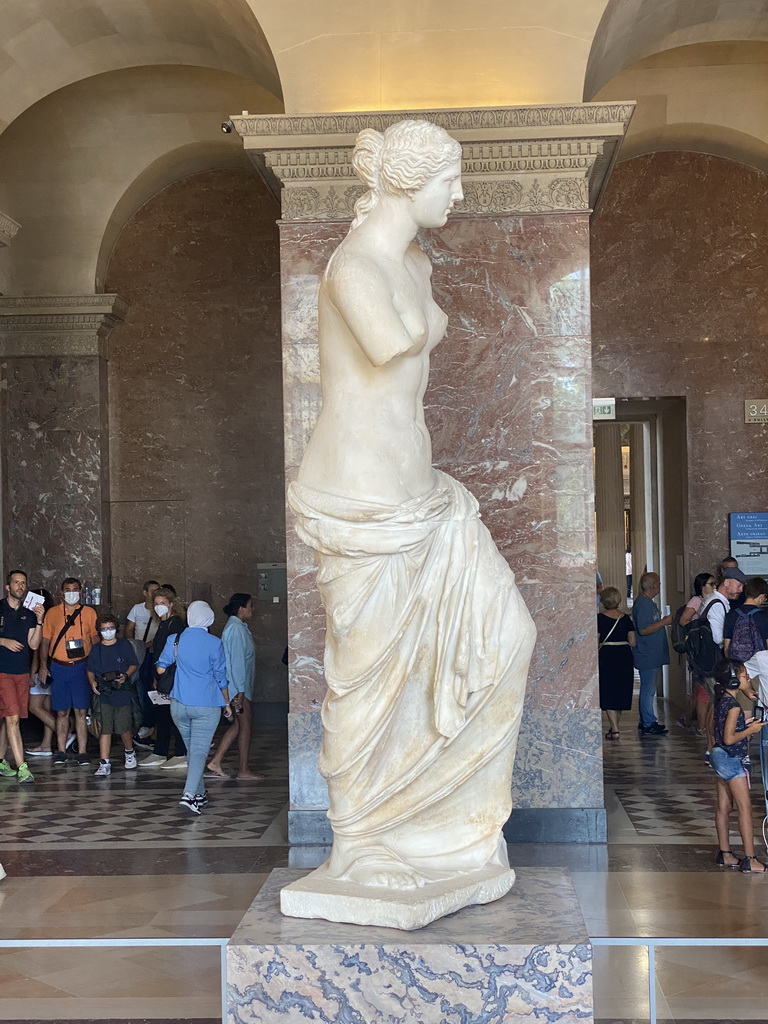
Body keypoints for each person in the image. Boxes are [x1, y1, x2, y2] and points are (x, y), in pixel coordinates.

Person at [287, 119, 536, 896]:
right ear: (405, 182)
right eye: (449, 180)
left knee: (510, 635)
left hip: (422, 495)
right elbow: (392, 342)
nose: (459, 194)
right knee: (364, 679)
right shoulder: (354, 267)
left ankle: (447, 830)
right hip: (360, 496)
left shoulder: (413, 262)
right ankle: (361, 841)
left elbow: (413, 334)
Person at [156, 600, 233, 813]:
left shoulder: (175, 639)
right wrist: (226, 702)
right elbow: (220, 676)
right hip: (206, 705)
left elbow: (161, 669)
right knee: (199, 751)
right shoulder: (214, 642)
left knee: (192, 751)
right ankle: (189, 795)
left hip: (179, 705)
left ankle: (199, 794)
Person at [709, 659, 768, 871]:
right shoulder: (733, 706)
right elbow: (729, 738)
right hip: (732, 760)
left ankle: (725, 854)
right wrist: (750, 731)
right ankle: (751, 859)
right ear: (734, 680)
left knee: (724, 807)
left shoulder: (720, 700)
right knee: (745, 808)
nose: (748, 678)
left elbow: (714, 729)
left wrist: (747, 724)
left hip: (718, 757)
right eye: (744, 676)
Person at [39, 578, 99, 766]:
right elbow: (45, 642)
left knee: (81, 710)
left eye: (74, 589)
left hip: (82, 666)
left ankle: (82, 752)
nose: (71, 593)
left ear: (80, 592)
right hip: (59, 667)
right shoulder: (52, 613)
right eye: (67, 590)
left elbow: (95, 638)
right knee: (61, 711)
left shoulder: (89, 613)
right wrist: (43, 665)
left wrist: (97, 665)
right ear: (61, 593)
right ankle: (61, 750)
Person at [207, 593, 263, 780]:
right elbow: (236, 662)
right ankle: (243, 769)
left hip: (239, 687)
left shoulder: (237, 627)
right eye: (250, 606)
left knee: (239, 725)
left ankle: (216, 762)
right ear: (241, 608)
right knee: (245, 725)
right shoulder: (236, 630)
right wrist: (240, 691)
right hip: (238, 688)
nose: (252, 610)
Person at [0, 570, 45, 783]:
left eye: (23, 583)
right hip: (2, 672)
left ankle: (0, 761)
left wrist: (40, 620)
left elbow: (34, 644)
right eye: (16, 582)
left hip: (21, 672)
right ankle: (22, 767)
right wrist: (3, 641)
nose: (20, 586)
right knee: (13, 719)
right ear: (7, 587)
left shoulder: (28, 612)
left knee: (10, 718)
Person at [137, 586, 187, 768]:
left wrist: (163, 674)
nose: (159, 607)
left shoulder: (175, 624)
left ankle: (181, 753)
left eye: (163, 603)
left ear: (171, 605)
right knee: (163, 715)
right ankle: (161, 751)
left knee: (175, 716)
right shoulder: (164, 624)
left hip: (171, 677)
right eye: (156, 604)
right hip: (162, 676)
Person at [86, 613, 139, 776]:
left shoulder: (124, 645)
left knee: (123, 726)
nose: (107, 631)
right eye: (104, 629)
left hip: (121, 690)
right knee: (105, 728)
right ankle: (104, 762)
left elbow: (133, 663)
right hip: (104, 691)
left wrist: (125, 676)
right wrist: (93, 682)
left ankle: (129, 752)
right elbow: (90, 669)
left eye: (110, 628)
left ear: (116, 629)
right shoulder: (97, 649)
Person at [677, 572, 716, 736]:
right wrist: (698, 627)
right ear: (702, 586)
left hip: (710, 648)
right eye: (711, 584)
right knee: (702, 689)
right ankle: (702, 726)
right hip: (700, 649)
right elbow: (683, 620)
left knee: (705, 689)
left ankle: (693, 720)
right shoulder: (696, 601)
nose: (714, 587)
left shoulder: (713, 600)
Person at [632, 572, 671, 735]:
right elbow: (643, 629)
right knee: (648, 689)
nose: (660, 587)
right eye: (659, 584)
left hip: (652, 653)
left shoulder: (647, 603)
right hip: (647, 653)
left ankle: (646, 720)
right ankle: (648, 722)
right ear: (653, 585)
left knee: (649, 688)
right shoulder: (644, 604)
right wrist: (664, 622)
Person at [598, 586, 636, 739]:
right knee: (621, 690)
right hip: (624, 656)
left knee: (608, 691)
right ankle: (615, 727)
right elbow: (633, 642)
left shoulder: (599, 618)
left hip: (607, 655)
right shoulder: (626, 619)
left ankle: (615, 729)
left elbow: (596, 639)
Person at [25, 588, 59, 756]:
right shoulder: (52, 617)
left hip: (43, 668)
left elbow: (38, 649)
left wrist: (34, 671)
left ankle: (65, 734)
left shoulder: (41, 620)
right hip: (54, 666)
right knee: (46, 708)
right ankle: (46, 745)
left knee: (34, 706)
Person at [723, 576, 768, 660]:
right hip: (759, 666)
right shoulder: (764, 617)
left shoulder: (731, 615)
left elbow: (726, 648)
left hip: (738, 665)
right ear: (761, 596)